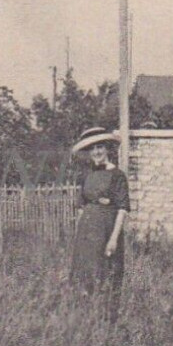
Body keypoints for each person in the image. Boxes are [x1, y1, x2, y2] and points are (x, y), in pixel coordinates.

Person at [69, 127, 128, 321]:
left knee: (107, 274)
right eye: (92, 148)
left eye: (100, 147)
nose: (96, 152)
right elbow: (81, 206)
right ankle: (87, 319)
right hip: (87, 231)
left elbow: (122, 209)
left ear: (107, 148)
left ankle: (108, 319)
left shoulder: (117, 175)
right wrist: (80, 236)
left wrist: (113, 239)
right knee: (85, 274)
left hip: (107, 229)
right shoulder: (86, 175)